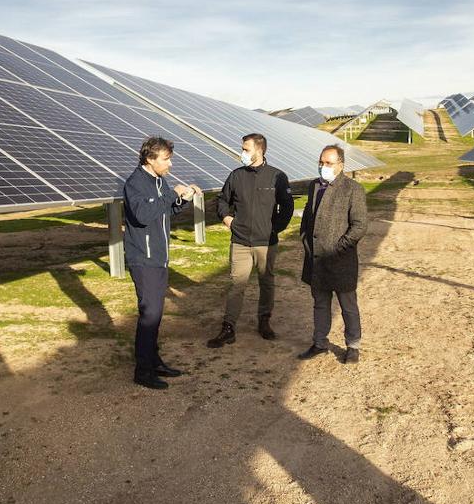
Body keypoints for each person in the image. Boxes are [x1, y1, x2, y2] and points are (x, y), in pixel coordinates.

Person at [123, 136, 201, 389]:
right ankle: (142, 371)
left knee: (155, 316)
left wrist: (184, 198)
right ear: (150, 159)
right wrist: (171, 195)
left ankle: (154, 361)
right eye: (166, 159)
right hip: (144, 259)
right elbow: (144, 214)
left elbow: (166, 211)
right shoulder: (135, 183)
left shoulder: (159, 181)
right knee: (149, 315)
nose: (170, 163)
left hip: (159, 258)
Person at [207, 133, 294, 348]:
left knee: (266, 282)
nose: (242, 153)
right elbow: (222, 200)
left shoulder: (277, 176)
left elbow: (288, 205)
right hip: (240, 241)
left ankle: (264, 321)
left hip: (266, 242)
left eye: (246, 149)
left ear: (260, 150)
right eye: (243, 149)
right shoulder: (236, 176)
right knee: (237, 284)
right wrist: (227, 219)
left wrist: (276, 229)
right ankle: (228, 328)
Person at [297, 144, 368, 364]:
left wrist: (339, 248)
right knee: (320, 303)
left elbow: (359, 226)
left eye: (328, 163)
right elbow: (308, 217)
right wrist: (304, 239)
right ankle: (319, 343)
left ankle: (353, 345)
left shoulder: (352, 189)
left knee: (347, 305)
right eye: (321, 162)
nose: (323, 167)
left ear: (341, 165)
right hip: (316, 259)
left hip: (340, 260)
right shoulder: (314, 186)